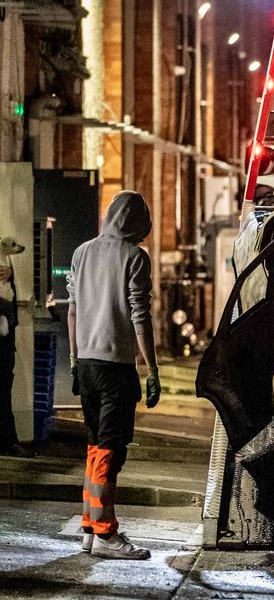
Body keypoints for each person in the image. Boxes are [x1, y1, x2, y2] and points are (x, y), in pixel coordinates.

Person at [67, 191, 161, 560]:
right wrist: (152, 368)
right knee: (110, 451)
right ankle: (106, 535)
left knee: (94, 448)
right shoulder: (136, 258)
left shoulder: (82, 252)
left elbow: (72, 309)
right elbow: (141, 316)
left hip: (86, 366)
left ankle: (90, 526)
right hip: (115, 370)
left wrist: (74, 358)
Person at [0, 262, 33, 458]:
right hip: (4, 343)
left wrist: (12, 277)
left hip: (4, 346)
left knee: (4, 393)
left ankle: (8, 441)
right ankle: (8, 442)